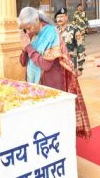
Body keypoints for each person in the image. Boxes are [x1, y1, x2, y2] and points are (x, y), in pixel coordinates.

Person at [18, 7, 91, 138]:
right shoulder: (31, 35)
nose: (27, 31)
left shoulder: (51, 33)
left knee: (53, 124)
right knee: (41, 126)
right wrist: (24, 47)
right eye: (25, 29)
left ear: (36, 20)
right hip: (35, 86)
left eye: (29, 28)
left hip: (51, 86)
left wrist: (28, 47)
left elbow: (46, 65)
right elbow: (23, 62)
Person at [55, 7, 85, 76]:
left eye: (61, 16)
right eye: (57, 17)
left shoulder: (74, 30)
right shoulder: (54, 31)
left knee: (71, 86)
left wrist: (80, 67)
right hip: (57, 65)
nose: (59, 19)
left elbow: (81, 48)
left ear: (66, 17)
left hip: (70, 64)